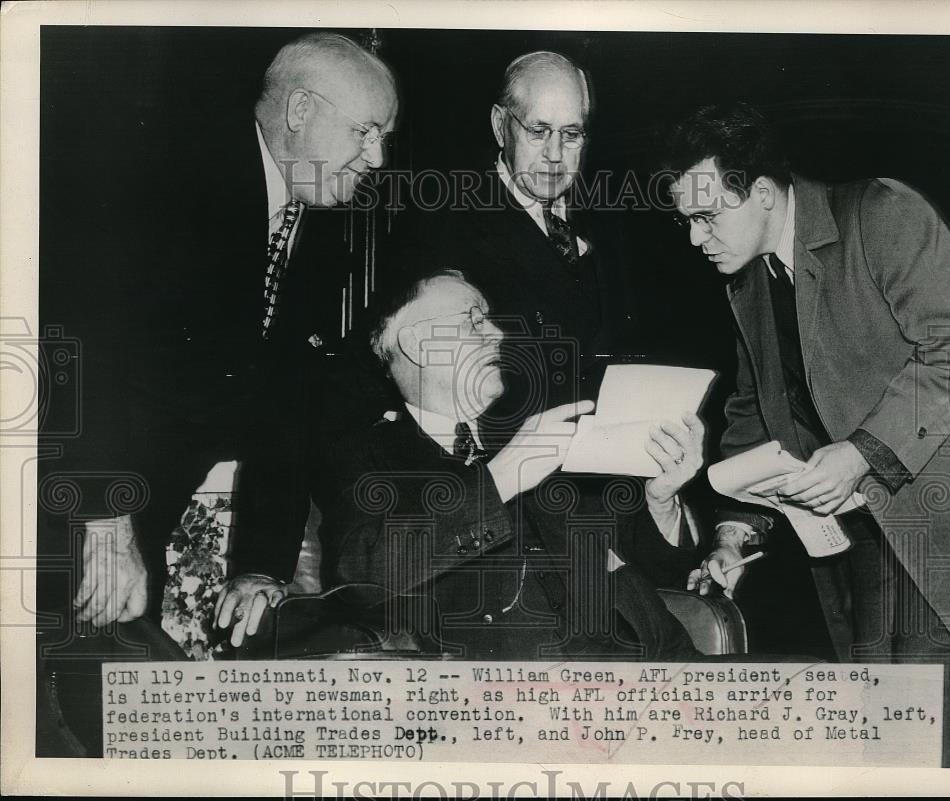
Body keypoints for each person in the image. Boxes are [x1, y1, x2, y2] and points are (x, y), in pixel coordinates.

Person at [665, 103, 950, 766]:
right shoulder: (748, 282)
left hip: (943, 538)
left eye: (707, 215)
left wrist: (860, 452)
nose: (695, 238)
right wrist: (731, 533)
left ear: (766, 195)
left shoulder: (883, 215)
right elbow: (753, 412)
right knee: (879, 744)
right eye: (687, 220)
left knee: (930, 743)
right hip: (859, 547)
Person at [65, 32, 398, 630]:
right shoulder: (169, 173)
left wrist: (262, 566)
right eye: (365, 131)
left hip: (143, 515)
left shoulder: (316, 230)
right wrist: (104, 519)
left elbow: (287, 406)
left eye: (384, 138)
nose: (377, 158)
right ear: (300, 110)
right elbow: (83, 341)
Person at [245, 269, 706, 659]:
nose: (498, 334)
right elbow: (365, 573)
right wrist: (504, 475)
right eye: (473, 320)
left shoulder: (536, 435)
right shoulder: (365, 456)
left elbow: (655, 572)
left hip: (663, 667)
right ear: (417, 344)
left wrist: (660, 502)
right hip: (520, 701)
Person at [397, 50, 638, 446]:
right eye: (538, 131)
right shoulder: (442, 220)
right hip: (505, 477)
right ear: (499, 125)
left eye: (571, 134)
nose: (555, 154)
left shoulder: (613, 220)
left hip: (606, 467)